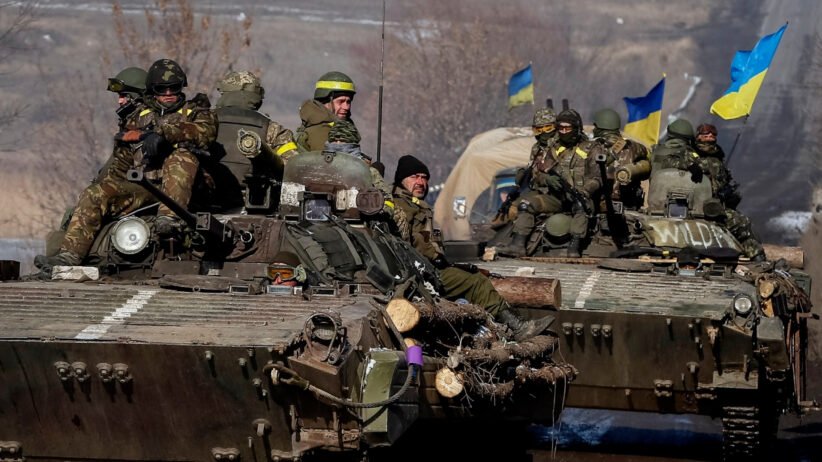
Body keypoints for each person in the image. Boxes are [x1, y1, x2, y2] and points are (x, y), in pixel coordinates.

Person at [34, 59, 217, 270]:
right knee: (97, 193)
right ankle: (69, 257)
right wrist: (99, 195)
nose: (168, 93)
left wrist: (161, 135)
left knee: (181, 157)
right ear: (153, 91)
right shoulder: (138, 118)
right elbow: (121, 164)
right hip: (149, 189)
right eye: (162, 89)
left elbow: (204, 133)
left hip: (192, 191)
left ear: (182, 87)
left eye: (173, 88)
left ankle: (169, 220)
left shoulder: (197, 112)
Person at [392, 155, 554, 342]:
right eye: (414, 177)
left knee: (472, 274)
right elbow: (407, 246)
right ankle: (517, 327)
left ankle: (502, 327)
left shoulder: (414, 205)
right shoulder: (402, 207)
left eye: (424, 178)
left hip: (427, 268)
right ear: (401, 180)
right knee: (476, 282)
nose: (421, 182)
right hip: (420, 273)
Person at [651, 119, 764, 260]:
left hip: (715, 205)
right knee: (739, 222)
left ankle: (757, 258)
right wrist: (690, 165)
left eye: (712, 134)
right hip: (695, 205)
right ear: (698, 136)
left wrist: (727, 194)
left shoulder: (718, 157)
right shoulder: (689, 152)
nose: (709, 136)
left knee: (742, 223)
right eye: (705, 134)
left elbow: (723, 180)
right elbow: (669, 161)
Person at [498, 109, 603, 257]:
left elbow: (598, 178)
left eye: (567, 128)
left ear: (576, 128)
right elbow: (540, 173)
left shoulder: (591, 148)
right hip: (557, 197)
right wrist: (547, 179)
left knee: (581, 206)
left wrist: (584, 191)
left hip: (581, 197)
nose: (564, 132)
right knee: (526, 204)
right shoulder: (552, 149)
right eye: (561, 128)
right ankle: (518, 245)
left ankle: (574, 247)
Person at [208, 70, 298, 212]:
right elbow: (292, 167)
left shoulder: (204, 121)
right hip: (254, 206)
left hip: (206, 201)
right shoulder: (271, 128)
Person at [590, 108, 650, 211]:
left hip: (598, 207)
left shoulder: (591, 147)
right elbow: (647, 156)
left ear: (600, 127)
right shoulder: (634, 147)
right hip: (628, 206)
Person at [295, 71, 357, 151]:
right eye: (340, 101)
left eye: (348, 102)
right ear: (326, 101)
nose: (346, 107)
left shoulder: (345, 128)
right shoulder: (318, 132)